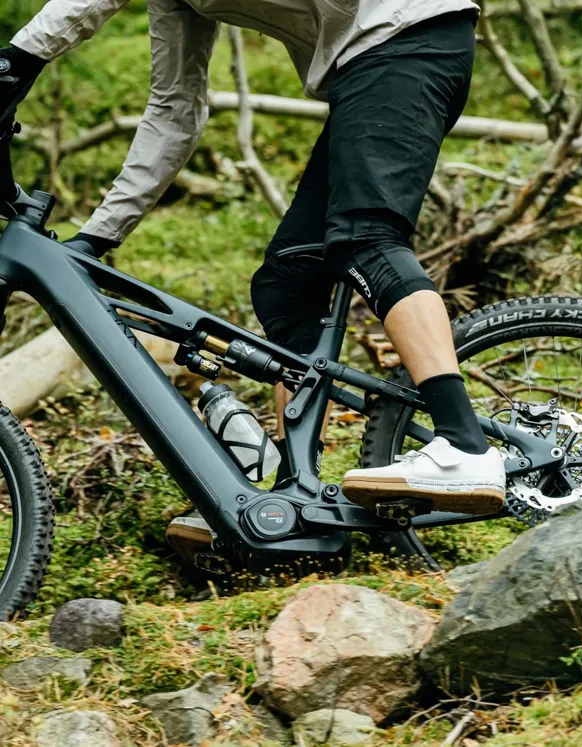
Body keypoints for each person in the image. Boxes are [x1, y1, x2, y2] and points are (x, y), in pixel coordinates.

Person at [0, 0, 505, 557]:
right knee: (288, 282)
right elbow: (174, 110)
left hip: (408, 36)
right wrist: (96, 237)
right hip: (370, 59)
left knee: (366, 242)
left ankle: (464, 445)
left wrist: (16, 60)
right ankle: (298, 497)